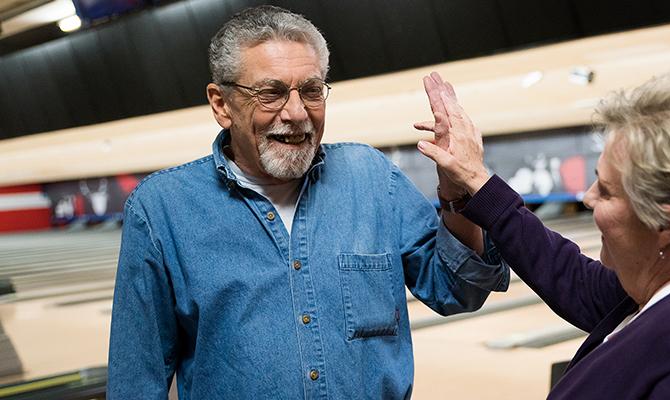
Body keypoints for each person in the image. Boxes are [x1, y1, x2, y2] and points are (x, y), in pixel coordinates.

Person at [107, 6, 509, 399]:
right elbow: (137, 380)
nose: (297, 112)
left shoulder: (371, 177)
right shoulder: (162, 209)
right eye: (271, 93)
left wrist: (457, 191)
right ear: (221, 104)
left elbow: (458, 291)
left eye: (312, 91)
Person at [416, 72, 670, 398]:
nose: (587, 196)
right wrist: (476, 181)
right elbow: (576, 282)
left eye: (607, 190)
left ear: (665, 224)